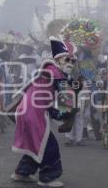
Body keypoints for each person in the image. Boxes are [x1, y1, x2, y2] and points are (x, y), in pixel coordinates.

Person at [8, 37, 77, 187]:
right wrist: (68, 113)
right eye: (67, 60)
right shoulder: (56, 73)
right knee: (49, 145)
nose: (70, 63)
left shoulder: (50, 71)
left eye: (73, 61)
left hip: (27, 111)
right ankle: (48, 177)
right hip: (33, 113)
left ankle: (22, 172)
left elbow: (50, 104)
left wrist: (62, 114)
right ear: (58, 59)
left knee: (37, 143)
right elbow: (66, 97)